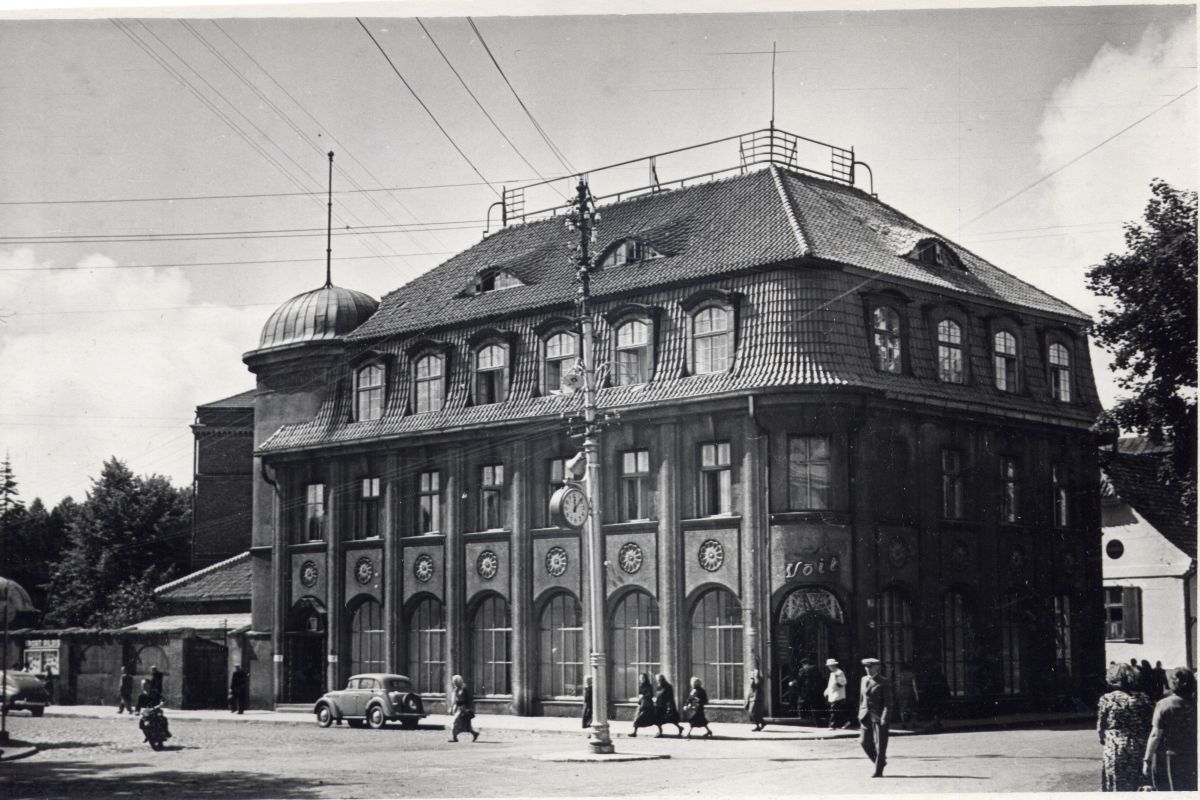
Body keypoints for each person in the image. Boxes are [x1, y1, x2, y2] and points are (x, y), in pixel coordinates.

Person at [1097, 662, 1154, 791]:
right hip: (1139, 745)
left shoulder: (1107, 699)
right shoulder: (1143, 698)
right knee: (1138, 784)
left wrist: (1104, 738)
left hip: (1115, 747)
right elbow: (1150, 723)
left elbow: (1101, 726)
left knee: (1117, 784)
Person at [1143, 667, 1197, 792]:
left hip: (1170, 757)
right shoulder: (1194, 703)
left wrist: (1147, 760)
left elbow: (1155, 735)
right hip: (1192, 753)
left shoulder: (1164, 704)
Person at [858, 657, 893, 778]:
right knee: (863, 742)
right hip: (865, 715)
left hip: (878, 716)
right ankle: (880, 762)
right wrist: (860, 713)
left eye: (870, 667)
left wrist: (884, 716)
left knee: (880, 745)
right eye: (866, 667)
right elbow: (862, 699)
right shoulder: (863, 680)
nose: (867, 669)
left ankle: (878, 771)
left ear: (877, 667)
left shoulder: (884, 681)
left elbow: (888, 702)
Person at [447, 674, 479, 743]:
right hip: (458, 707)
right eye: (453, 681)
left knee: (455, 721)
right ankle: (474, 733)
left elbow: (469, 699)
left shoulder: (464, 688)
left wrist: (469, 708)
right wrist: (451, 707)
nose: (454, 683)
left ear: (459, 681)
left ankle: (454, 737)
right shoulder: (455, 689)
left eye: (455, 681)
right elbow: (454, 700)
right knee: (466, 725)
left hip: (463, 708)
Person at [654, 673, 684, 737]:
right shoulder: (659, 687)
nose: (659, 681)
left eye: (660, 679)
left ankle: (679, 728)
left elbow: (669, 697)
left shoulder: (667, 686)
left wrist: (669, 706)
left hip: (666, 705)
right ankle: (660, 731)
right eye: (658, 680)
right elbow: (658, 696)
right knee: (657, 719)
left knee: (671, 719)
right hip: (659, 705)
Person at [823, 658, 851, 730]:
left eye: (830, 666)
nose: (829, 667)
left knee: (834, 710)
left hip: (838, 694)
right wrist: (827, 691)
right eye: (829, 666)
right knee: (838, 710)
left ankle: (832, 725)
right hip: (833, 694)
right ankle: (846, 721)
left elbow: (843, 682)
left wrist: (836, 682)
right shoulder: (832, 673)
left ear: (834, 665)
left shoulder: (839, 672)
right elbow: (830, 684)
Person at [796, 657, 823, 725]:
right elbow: (820, 679)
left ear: (803, 663)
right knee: (814, 706)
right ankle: (817, 722)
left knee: (801, 703)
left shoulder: (802, 670)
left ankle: (802, 719)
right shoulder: (816, 668)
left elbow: (800, 680)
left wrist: (798, 688)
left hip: (805, 690)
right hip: (815, 690)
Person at [631, 672, 657, 737]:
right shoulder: (641, 686)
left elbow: (650, 694)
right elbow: (640, 694)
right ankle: (634, 732)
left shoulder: (649, 686)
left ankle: (634, 732)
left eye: (642, 678)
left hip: (647, 706)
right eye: (640, 678)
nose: (641, 679)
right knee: (637, 718)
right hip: (642, 705)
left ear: (645, 678)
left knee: (643, 719)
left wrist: (643, 696)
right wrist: (639, 701)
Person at [895, 662, 917, 726]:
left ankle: (903, 723)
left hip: (902, 692)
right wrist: (916, 694)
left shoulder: (899, 675)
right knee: (912, 707)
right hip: (910, 691)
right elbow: (914, 685)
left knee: (902, 708)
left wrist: (897, 693)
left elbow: (898, 685)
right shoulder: (912, 675)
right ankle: (913, 723)